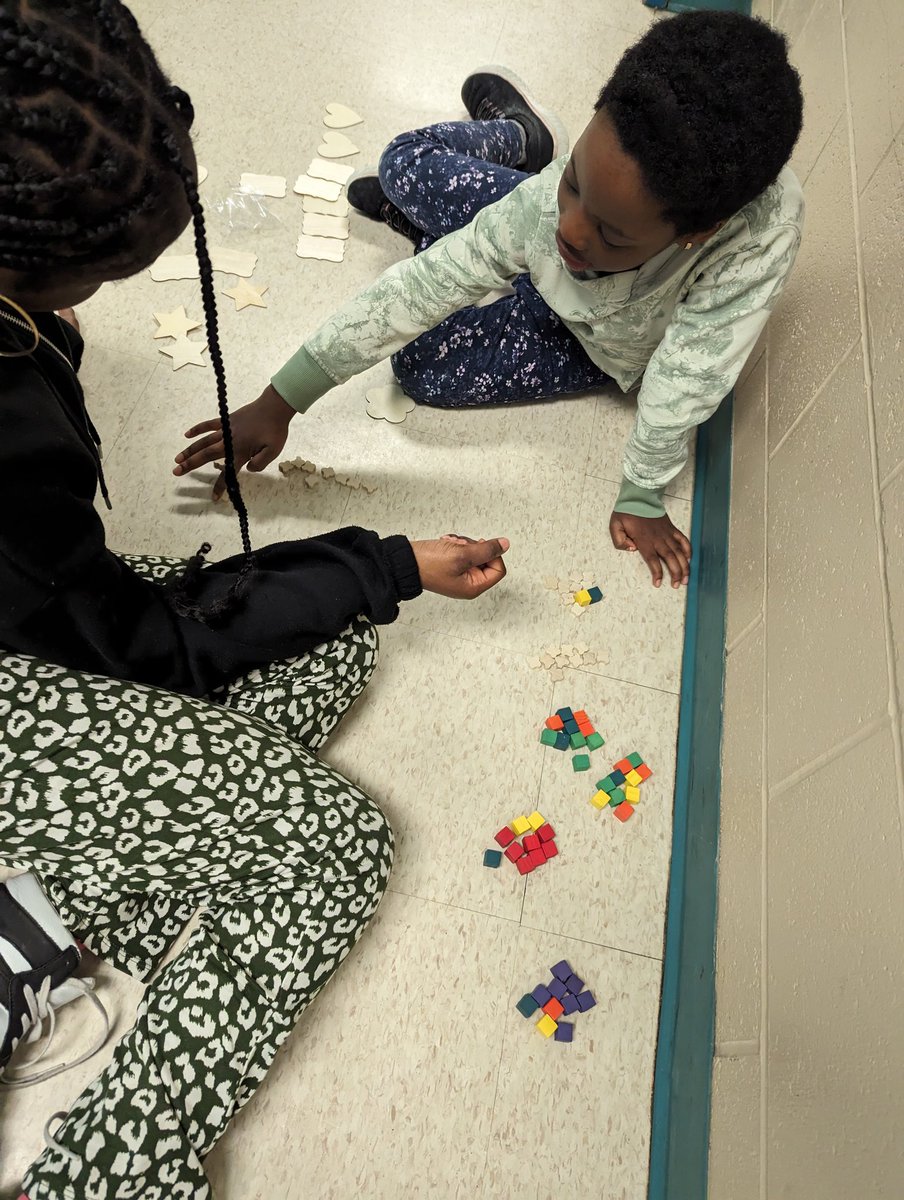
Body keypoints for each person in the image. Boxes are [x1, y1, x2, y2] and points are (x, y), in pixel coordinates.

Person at [0, 2, 508, 1196]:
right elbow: (139, 655)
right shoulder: (10, 436)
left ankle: (59, 909)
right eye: (91, 279)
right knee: (335, 841)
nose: (85, 307)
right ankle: (104, 1174)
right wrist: (383, 565)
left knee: (324, 646)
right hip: (28, 668)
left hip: (37, 619)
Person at [175, 11, 804, 590]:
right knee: (403, 163)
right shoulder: (548, 209)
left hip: (604, 340)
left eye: (610, 233)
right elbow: (427, 284)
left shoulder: (754, 243)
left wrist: (643, 491)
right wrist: (281, 400)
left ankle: (437, 226)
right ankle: (527, 138)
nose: (570, 232)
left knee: (420, 368)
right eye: (573, 180)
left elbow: (687, 377)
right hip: (530, 233)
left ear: (696, 234)